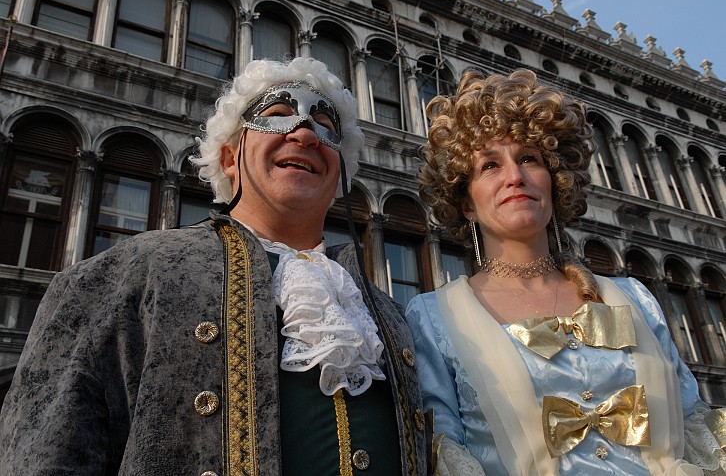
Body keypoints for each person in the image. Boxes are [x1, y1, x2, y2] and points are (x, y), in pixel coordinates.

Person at [0, 57, 430, 475]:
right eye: (279, 114)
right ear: (228, 158)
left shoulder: (386, 316)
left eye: (326, 125)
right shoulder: (119, 276)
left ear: (340, 176)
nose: (305, 132)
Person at [405, 69, 726, 475]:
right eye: (489, 166)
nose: (515, 177)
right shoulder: (434, 318)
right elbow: (443, 450)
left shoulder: (634, 297)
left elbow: (695, 423)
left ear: (555, 181)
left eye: (529, 159)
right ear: (465, 201)